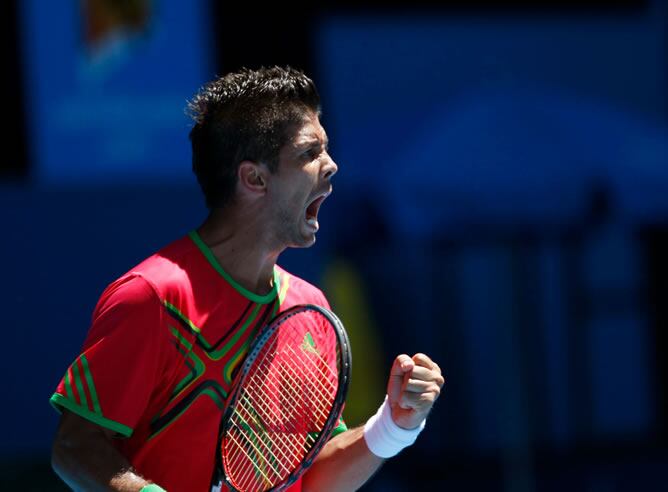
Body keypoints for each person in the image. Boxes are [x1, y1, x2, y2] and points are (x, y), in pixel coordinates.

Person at [50, 66, 445, 492]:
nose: (331, 166)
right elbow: (75, 448)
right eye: (310, 153)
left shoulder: (311, 310)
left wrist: (393, 426)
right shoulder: (152, 297)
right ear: (254, 178)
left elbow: (313, 477)